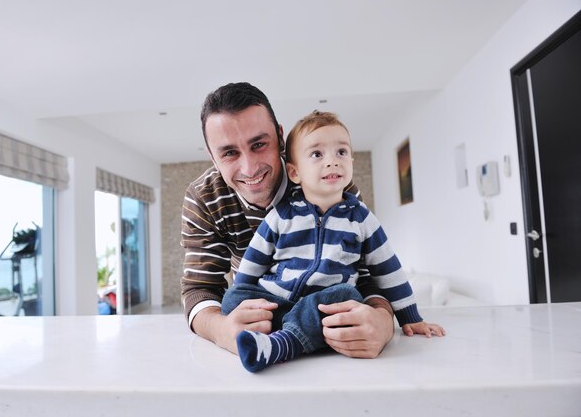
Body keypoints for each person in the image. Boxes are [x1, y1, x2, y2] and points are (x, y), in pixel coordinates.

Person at [181, 82, 395, 359]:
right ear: (212, 156)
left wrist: (383, 321)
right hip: (261, 324)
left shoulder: (328, 182)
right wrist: (222, 329)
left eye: (259, 144)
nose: (249, 168)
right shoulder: (203, 197)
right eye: (229, 153)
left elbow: (367, 272)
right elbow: (199, 288)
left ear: (280, 138)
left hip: (326, 323)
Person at [221, 110, 445, 372]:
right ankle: (289, 334)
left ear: (351, 160)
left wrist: (410, 316)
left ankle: (281, 345)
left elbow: (388, 270)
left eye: (341, 152)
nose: (332, 161)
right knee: (232, 295)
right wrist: (243, 300)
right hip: (278, 302)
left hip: (324, 306)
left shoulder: (361, 219)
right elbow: (252, 262)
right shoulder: (281, 215)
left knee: (348, 294)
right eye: (317, 154)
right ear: (294, 172)